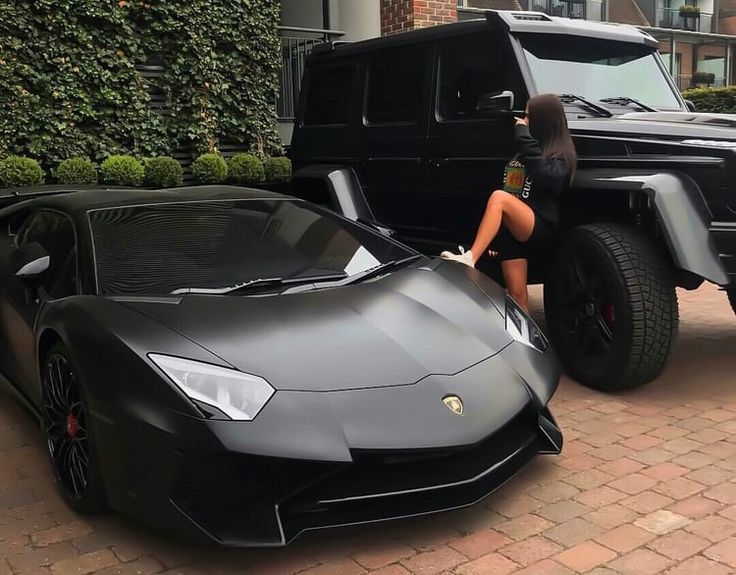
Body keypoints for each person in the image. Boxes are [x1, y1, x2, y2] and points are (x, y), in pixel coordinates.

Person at [440, 93, 577, 311]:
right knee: (517, 296)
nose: (524, 120)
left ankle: (470, 257)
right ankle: (524, 343)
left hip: (540, 224)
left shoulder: (561, 154)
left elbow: (546, 178)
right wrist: (495, 238)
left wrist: (523, 136)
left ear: (543, 119)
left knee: (498, 197)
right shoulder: (525, 151)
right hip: (515, 229)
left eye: (529, 116)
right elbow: (512, 192)